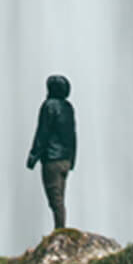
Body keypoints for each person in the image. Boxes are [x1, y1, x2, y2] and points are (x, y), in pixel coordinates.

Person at [26, 73, 77, 228]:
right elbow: (72, 135)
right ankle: (60, 228)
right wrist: (72, 159)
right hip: (65, 160)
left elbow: (43, 132)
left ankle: (60, 232)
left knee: (55, 199)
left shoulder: (49, 106)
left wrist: (33, 155)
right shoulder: (68, 108)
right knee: (60, 197)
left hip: (52, 160)